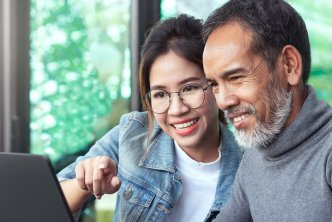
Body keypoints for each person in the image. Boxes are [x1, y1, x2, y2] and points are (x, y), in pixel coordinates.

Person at [57, 14, 242, 222]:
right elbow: (48, 202)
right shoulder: (132, 134)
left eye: (190, 88)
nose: (177, 109)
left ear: (215, 85)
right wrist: (85, 183)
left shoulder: (248, 166)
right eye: (160, 94)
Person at [202, 0, 332, 221]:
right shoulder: (254, 159)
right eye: (214, 84)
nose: (223, 102)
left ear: (289, 66)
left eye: (236, 77)